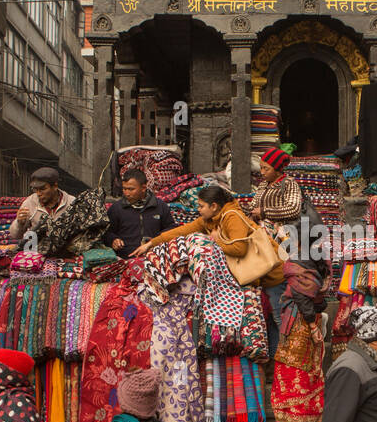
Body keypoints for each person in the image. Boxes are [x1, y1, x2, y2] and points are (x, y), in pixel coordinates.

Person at [133, 185, 284, 289]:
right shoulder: (209, 220)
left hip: (272, 273)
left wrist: (215, 240)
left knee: (277, 318)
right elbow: (181, 231)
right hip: (257, 273)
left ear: (214, 206)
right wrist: (151, 243)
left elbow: (240, 249)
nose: (198, 210)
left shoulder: (233, 217)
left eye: (201, 206)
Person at [253, 147, 307, 357]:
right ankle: (277, 355)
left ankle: (286, 355)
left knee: (278, 301)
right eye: (261, 168)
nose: (262, 172)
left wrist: (265, 213)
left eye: (265, 168)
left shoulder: (289, 184)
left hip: (283, 244)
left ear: (276, 168)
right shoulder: (263, 185)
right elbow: (253, 207)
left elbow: (293, 209)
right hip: (264, 244)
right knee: (269, 307)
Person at [272, 260, 330, 422]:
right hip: (312, 319)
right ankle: (317, 419)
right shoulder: (322, 263)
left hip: (300, 322)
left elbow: (300, 297)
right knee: (313, 370)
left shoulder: (297, 265)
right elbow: (320, 301)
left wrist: (312, 325)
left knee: (294, 370)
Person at [103, 168, 174, 258]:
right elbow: (106, 233)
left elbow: (171, 228)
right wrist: (113, 240)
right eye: (124, 189)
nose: (127, 193)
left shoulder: (160, 206)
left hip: (154, 256)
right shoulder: (116, 209)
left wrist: (156, 240)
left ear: (143, 188)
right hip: (126, 258)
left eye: (131, 189)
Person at [8, 167, 75, 243]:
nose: (39, 194)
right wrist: (19, 223)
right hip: (38, 250)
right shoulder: (29, 203)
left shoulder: (71, 203)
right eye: (35, 189)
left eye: (43, 189)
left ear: (55, 186)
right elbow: (14, 235)